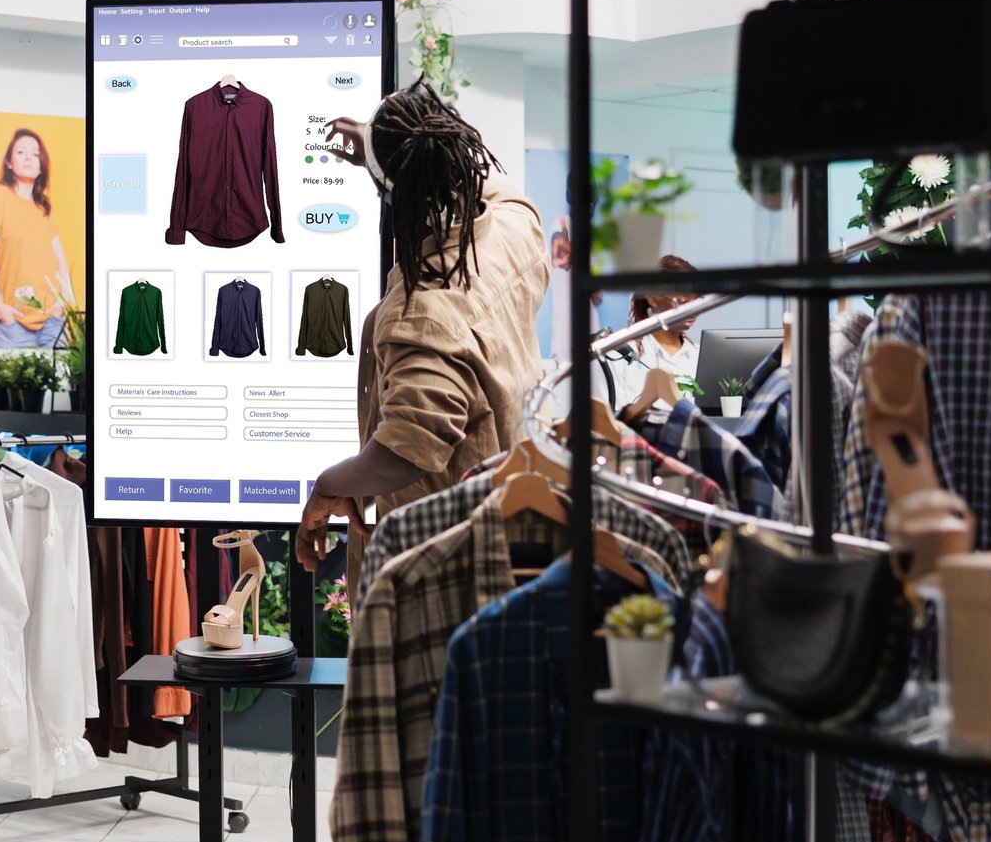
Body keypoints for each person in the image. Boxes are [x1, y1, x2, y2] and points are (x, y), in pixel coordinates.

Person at [294, 80, 549, 580]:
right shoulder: (514, 227)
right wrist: (379, 151)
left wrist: (325, 488)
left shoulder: (425, 314)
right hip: (512, 528)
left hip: (443, 566)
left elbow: (406, 453)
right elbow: (494, 188)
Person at [0, 128, 76, 349]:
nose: (28, 157)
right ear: (9, 163)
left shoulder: (43, 208)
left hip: (52, 323)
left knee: (62, 384)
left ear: (41, 167)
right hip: (13, 327)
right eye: (20, 152)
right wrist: (0, 309)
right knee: (8, 384)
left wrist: (63, 303)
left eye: (35, 153)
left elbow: (61, 262)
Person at [606, 254, 701, 409]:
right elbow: (613, 420)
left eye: (696, 303)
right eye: (682, 302)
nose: (693, 311)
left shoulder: (699, 356)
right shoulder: (621, 355)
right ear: (653, 299)